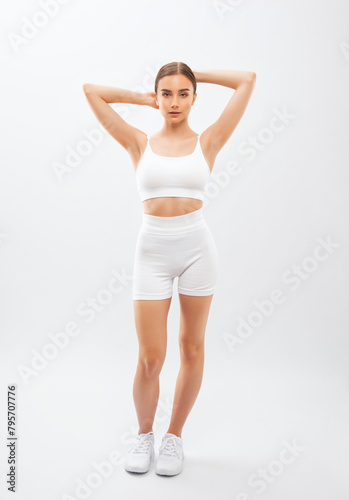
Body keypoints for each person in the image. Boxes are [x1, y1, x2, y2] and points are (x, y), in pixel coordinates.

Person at [83, 62, 256, 476]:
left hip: (197, 248)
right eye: (166, 94)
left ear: (194, 98)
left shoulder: (209, 140)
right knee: (150, 358)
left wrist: (193, 73)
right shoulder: (138, 142)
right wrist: (141, 98)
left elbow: (246, 80)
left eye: (183, 94)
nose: (175, 102)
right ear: (157, 97)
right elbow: (92, 91)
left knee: (191, 348)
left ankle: (174, 436)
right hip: (152, 253)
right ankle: (145, 435)